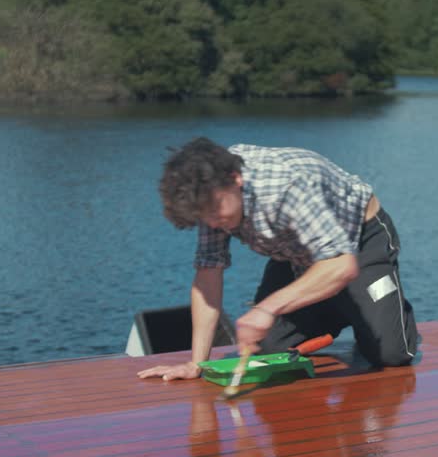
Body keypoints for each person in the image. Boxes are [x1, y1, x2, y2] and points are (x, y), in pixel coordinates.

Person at [136, 137, 417, 381]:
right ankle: (336, 304)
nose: (212, 221)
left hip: (358, 241)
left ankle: (363, 302)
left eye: (215, 210)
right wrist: (197, 363)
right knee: (265, 351)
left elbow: (341, 264)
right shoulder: (213, 201)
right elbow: (208, 275)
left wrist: (267, 309)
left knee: (391, 353)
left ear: (236, 179)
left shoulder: (285, 185)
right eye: (203, 216)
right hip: (294, 254)